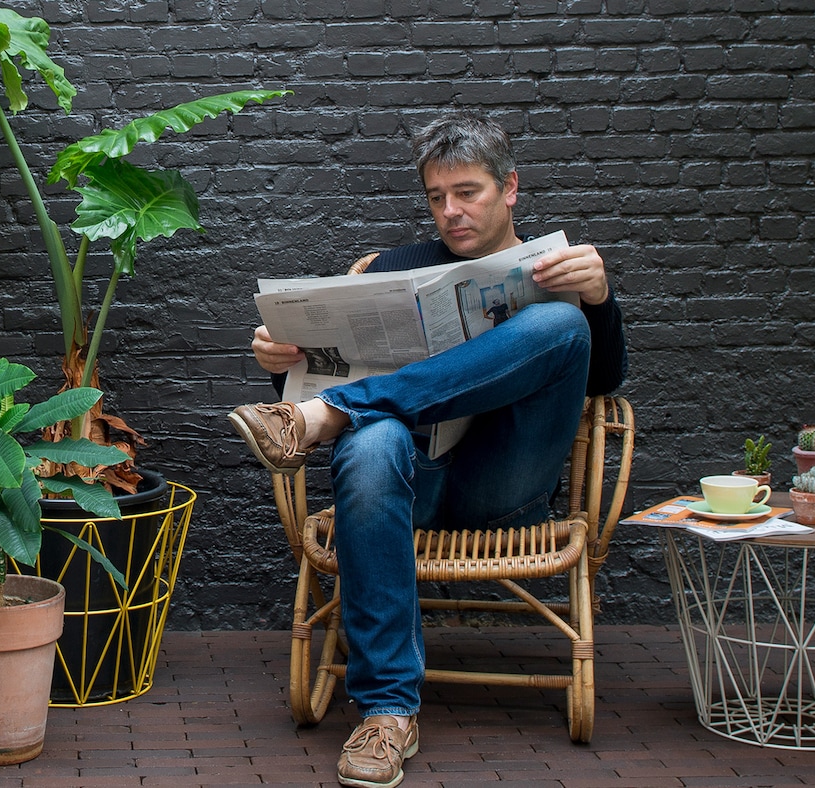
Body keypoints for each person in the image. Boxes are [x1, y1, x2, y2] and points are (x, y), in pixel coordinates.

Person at [227, 111, 627, 788]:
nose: (451, 211)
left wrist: (600, 299)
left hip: (503, 485)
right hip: (400, 489)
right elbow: (325, 363)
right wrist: (279, 362)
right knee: (376, 436)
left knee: (559, 325)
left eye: (467, 192)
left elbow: (605, 385)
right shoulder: (393, 269)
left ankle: (326, 418)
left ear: (509, 189)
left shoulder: (554, 269)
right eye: (437, 197)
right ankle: (386, 712)